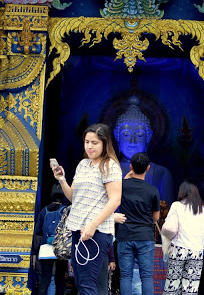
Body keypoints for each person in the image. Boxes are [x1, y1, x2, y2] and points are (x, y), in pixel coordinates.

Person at [52, 123, 122, 295]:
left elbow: (115, 200)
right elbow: (72, 198)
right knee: (81, 282)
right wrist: (62, 180)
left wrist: (93, 224)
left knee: (87, 285)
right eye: (87, 142)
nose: (89, 146)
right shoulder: (83, 164)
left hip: (96, 232)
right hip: (77, 230)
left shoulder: (109, 165)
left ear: (105, 144)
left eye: (95, 143)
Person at [113, 152, 161, 295]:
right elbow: (156, 217)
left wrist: (125, 178)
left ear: (131, 167)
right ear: (148, 168)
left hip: (125, 234)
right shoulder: (153, 190)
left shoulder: (122, 186)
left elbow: (111, 195)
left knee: (125, 276)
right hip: (145, 236)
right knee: (146, 277)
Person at [113, 96, 174, 203]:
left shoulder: (161, 173)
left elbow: (165, 211)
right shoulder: (108, 170)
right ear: (117, 136)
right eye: (126, 135)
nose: (133, 141)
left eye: (140, 135)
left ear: (149, 136)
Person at [162, 181, 204, 295]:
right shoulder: (203, 210)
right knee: (190, 288)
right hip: (196, 252)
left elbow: (169, 227)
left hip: (179, 248)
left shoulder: (177, 205)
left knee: (172, 286)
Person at [31, 184, 68, 295]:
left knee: (45, 280)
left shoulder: (44, 211)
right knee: (60, 279)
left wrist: (35, 252)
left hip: (45, 248)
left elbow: (37, 232)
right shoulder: (65, 210)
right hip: (61, 248)